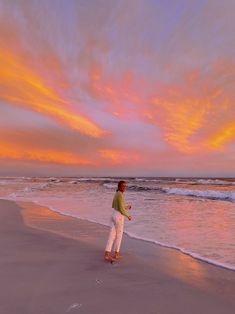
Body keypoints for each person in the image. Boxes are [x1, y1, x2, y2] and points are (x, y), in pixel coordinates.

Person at [104, 180, 132, 262]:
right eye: (123, 186)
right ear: (119, 187)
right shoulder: (120, 195)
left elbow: (115, 206)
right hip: (119, 217)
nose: (125, 187)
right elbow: (121, 209)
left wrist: (126, 207)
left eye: (125, 186)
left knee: (112, 235)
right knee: (119, 235)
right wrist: (128, 216)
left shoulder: (117, 194)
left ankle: (107, 254)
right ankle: (116, 254)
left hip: (113, 215)